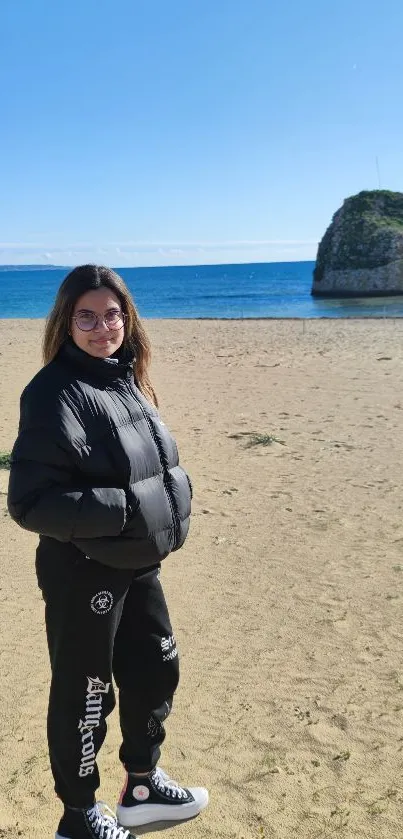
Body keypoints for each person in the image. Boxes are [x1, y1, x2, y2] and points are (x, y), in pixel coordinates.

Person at [7, 264, 209, 839]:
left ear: (128, 318)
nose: (103, 327)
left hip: (137, 561)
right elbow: (29, 501)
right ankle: (79, 818)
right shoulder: (52, 393)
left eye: (113, 314)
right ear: (66, 322)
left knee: (156, 667)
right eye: (87, 317)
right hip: (83, 568)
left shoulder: (126, 379)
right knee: (87, 693)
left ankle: (141, 787)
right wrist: (123, 511)